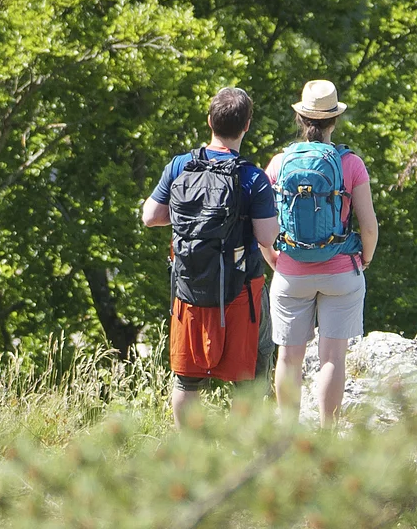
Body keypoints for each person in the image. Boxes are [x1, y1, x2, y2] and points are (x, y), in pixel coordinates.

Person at [141, 87, 279, 425]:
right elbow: (266, 236)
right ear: (247, 125)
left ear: (209, 122)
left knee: (186, 378)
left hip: (189, 288)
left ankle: (187, 455)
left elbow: (150, 216)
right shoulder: (252, 178)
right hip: (241, 289)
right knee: (251, 375)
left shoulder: (180, 166)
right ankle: (240, 452)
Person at [266, 79, 379, 422]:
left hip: (289, 271)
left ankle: (287, 439)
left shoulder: (279, 163)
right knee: (333, 357)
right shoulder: (351, 164)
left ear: (301, 119)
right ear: (334, 120)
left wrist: (274, 259)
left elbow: (262, 227)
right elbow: (369, 226)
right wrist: (365, 259)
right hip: (341, 270)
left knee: (288, 358)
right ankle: (327, 438)